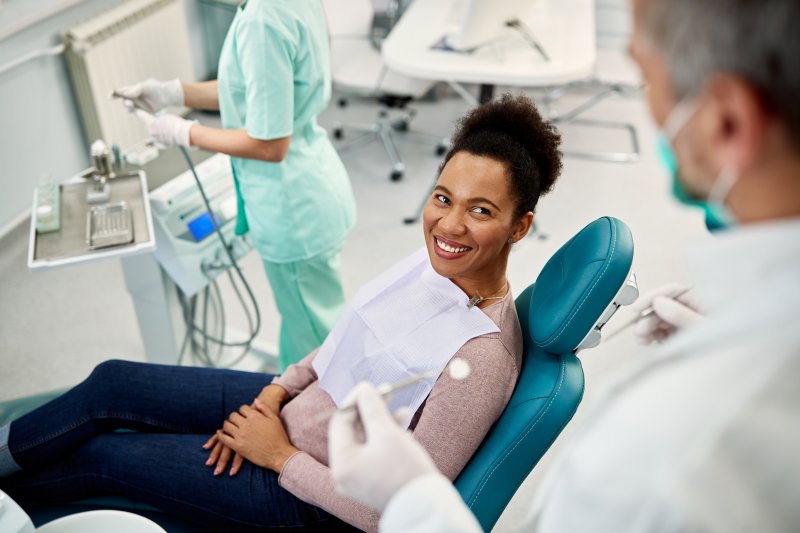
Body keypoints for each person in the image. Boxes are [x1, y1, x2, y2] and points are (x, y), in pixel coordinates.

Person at [327, 0, 800, 531]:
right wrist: (730, 327)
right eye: (442, 199)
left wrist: (412, 501)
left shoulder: (672, 453)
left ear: (728, 122)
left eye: (646, 81)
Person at [0, 95, 563, 532]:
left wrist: (278, 454)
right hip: (293, 409)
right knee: (113, 382)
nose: (448, 225)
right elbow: (348, 341)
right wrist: (276, 391)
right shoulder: (432, 267)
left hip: (303, 495)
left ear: (519, 226)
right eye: (443, 197)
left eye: (480, 210)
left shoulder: (481, 361)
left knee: (106, 457)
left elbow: (395, 512)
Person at [115, 0, 356, 370]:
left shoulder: (264, 17)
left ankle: (313, 421)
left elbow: (270, 144)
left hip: (293, 207)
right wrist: (174, 93)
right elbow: (253, 88)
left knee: (317, 351)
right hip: (315, 184)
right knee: (308, 321)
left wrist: (184, 131)